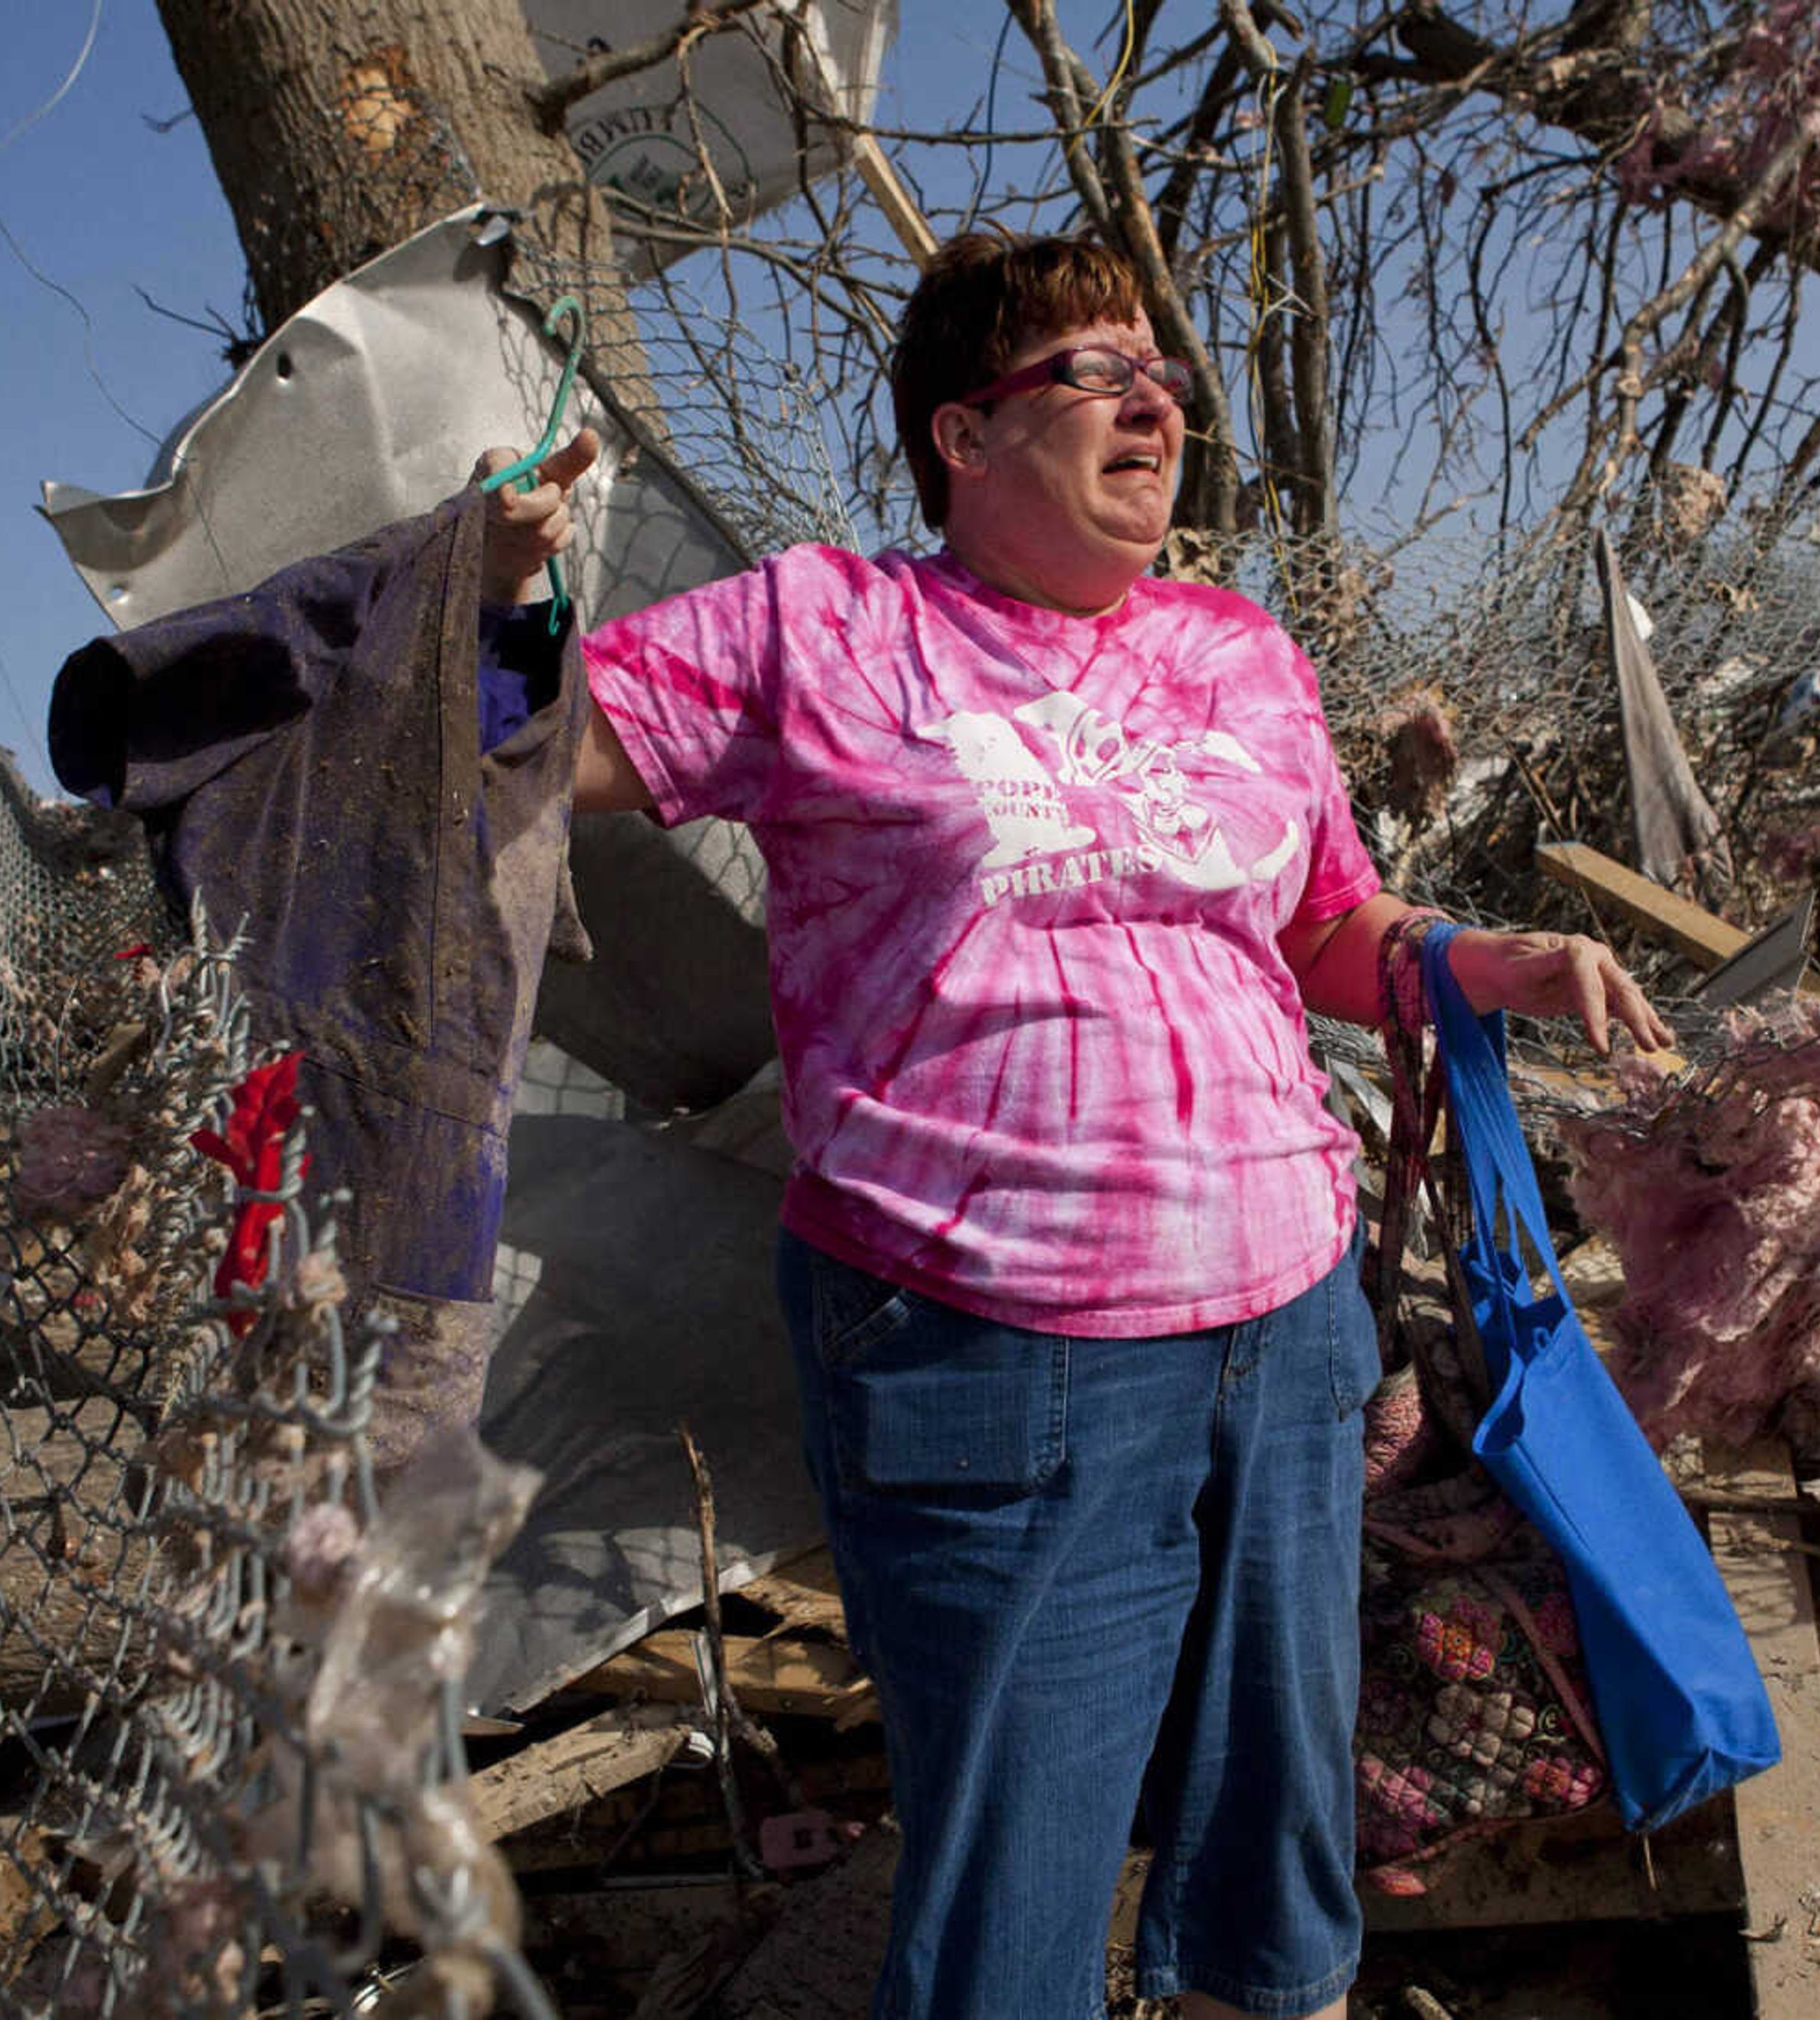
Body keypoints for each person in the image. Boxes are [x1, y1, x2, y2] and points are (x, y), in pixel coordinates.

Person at [478, 231, 1669, 2020]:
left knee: (1277, 1817)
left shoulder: (1240, 650)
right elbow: (526, 752)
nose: (1153, 403)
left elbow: (1318, 922)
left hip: (1286, 1320)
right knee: (1017, 1868)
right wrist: (500, 603)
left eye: (1165, 378)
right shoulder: (829, 627)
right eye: (1093, 374)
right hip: (998, 1338)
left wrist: (1476, 956)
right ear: (963, 433)